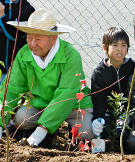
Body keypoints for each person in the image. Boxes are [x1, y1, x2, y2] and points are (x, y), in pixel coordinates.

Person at [0, 8, 93, 147]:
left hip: (73, 105)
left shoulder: (71, 55)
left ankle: (55, 131)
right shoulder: (24, 53)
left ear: (53, 38)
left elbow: (67, 93)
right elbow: (12, 87)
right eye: (29, 37)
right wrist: (1, 119)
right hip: (39, 103)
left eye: (38, 39)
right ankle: (45, 133)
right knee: (21, 120)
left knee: (87, 132)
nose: (32, 44)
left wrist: (42, 129)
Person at [91, 26, 135, 142]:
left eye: (123, 45)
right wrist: (98, 119)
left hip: (130, 114)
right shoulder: (99, 73)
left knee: (127, 137)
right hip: (109, 114)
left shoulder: (134, 68)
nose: (119, 49)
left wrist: (128, 115)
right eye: (115, 45)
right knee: (104, 132)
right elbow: (98, 101)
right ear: (105, 48)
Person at [0, 0, 35, 82]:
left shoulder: (28, 10)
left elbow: (15, 36)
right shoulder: (3, 2)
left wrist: (2, 16)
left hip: (14, 69)